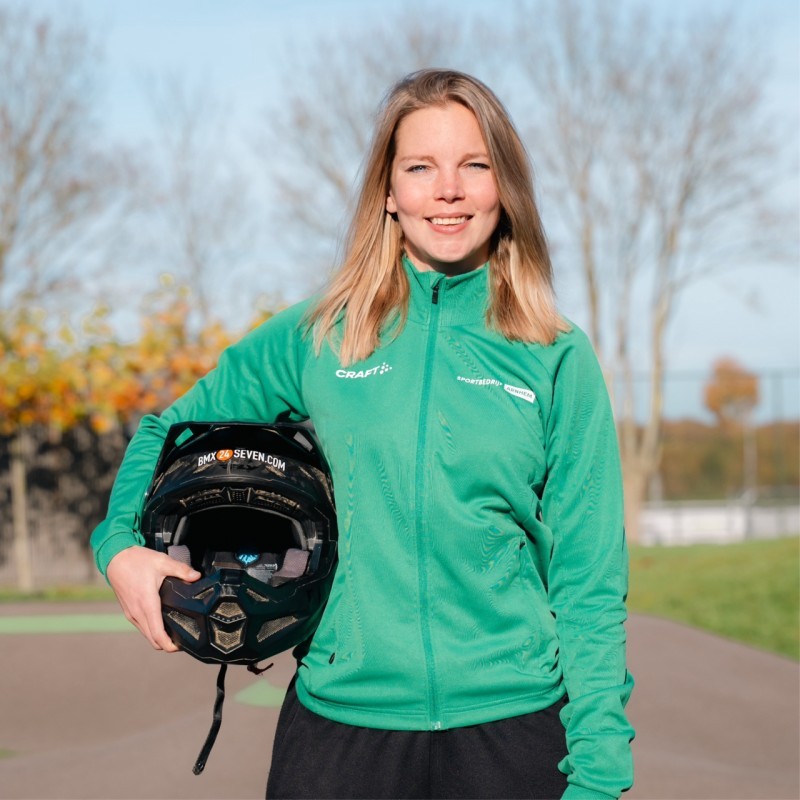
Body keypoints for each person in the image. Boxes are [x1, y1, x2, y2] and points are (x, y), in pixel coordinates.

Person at [92, 68, 634, 799]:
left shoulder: (554, 352)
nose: (448, 190)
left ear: (503, 187)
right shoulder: (322, 334)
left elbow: (589, 579)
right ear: (389, 191)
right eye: (421, 168)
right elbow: (169, 425)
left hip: (513, 730)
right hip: (341, 735)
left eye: (474, 165)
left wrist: (599, 767)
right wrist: (119, 545)